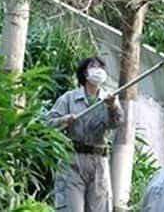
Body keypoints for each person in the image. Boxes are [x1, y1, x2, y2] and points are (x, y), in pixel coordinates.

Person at [46, 56, 123, 211]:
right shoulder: (69, 98)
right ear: (84, 73)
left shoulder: (108, 99)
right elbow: (48, 124)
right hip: (73, 160)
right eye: (93, 66)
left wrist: (113, 107)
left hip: (99, 160)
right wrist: (64, 120)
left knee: (99, 207)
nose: (98, 70)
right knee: (71, 207)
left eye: (101, 67)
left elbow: (117, 123)